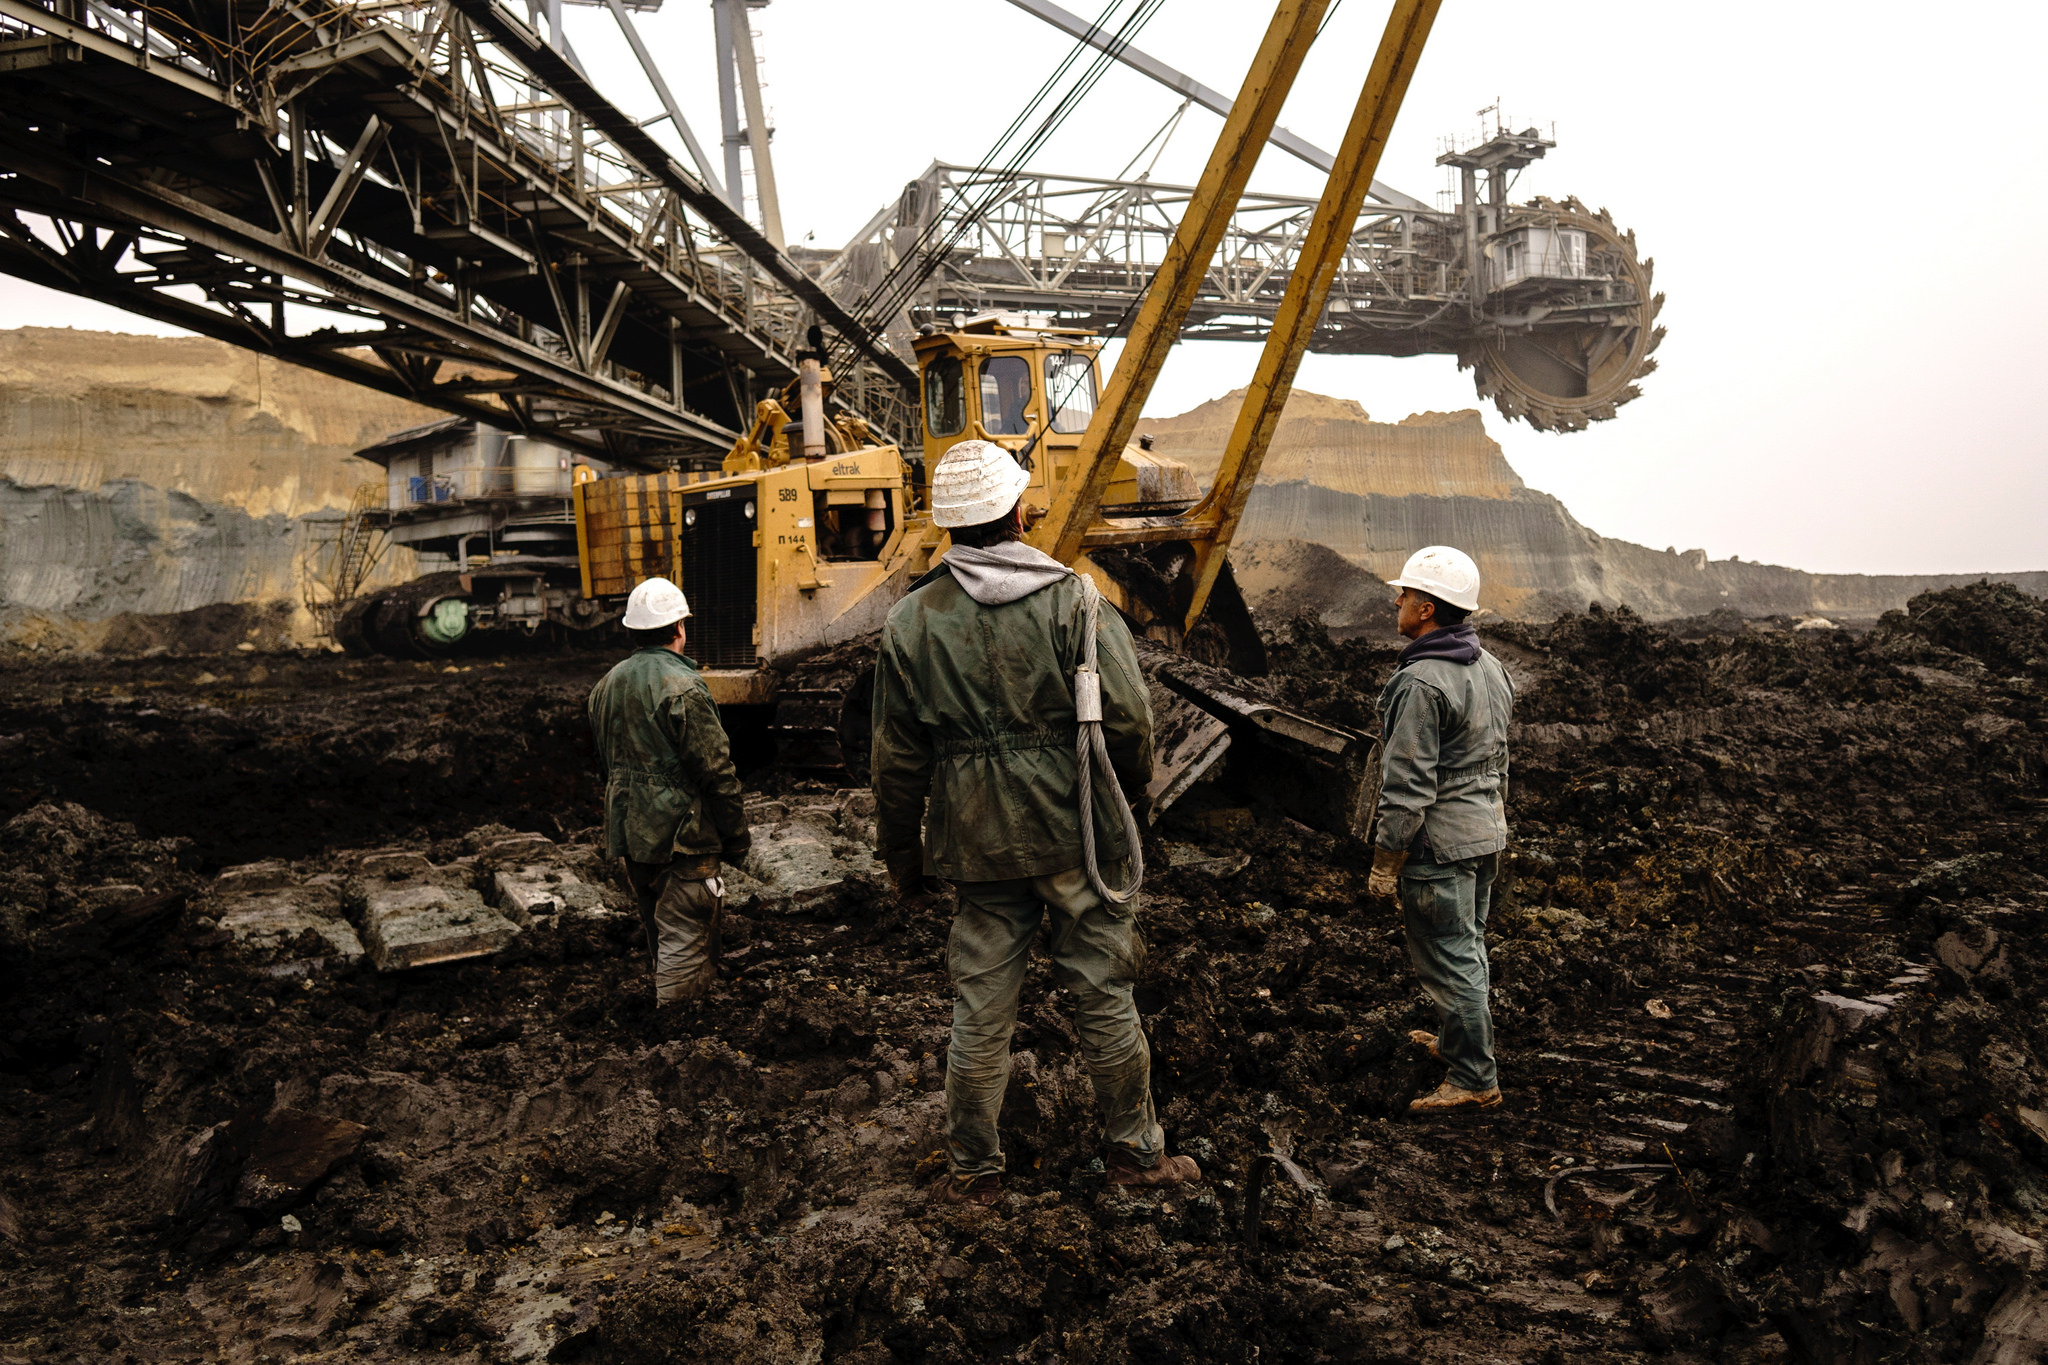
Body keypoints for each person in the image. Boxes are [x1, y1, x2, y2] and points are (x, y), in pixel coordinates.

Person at [871, 439, 1202, 1206]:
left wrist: (903, 862)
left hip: (977, 842)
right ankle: (1137, 1156)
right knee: (1104, 994)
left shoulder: (911, 620)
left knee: (981, 1011)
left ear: (949, 525)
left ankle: (974, 1172)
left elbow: (895, 763)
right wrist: (1128, 805)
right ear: (1019, 513)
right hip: (1075, 834)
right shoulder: (1076, 601)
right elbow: (1130, 720)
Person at [1367, 546, 1515, 1113]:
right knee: (1467, 946)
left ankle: (1474, 1078)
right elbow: (1498, 758)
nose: (1397, 603)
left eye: (1404, 595)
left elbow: (1406, 785)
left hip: (1440, 845)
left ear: (1427, 608)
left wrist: (1387, 861)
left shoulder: (1421, 683)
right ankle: (1459, 1044)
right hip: (1484, 832)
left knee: (1451, 959)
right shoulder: (1490, 667)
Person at [587, 576, 750, 1002]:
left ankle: (675, 1017)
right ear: (680, 627)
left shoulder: (605, 685)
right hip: (683, 838)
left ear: (632, 631)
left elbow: (607, 763)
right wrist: (736, 836)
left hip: (632, 835)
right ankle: (679, 1027)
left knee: (659, 932)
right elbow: (716, 772)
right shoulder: (684, 687)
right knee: (684, 936)